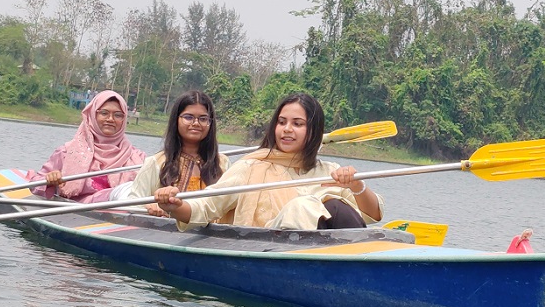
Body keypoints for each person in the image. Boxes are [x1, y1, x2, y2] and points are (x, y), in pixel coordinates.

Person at [154, 92, 384, 230]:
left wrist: (357, 185)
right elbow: (206, 207)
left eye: (297, 124)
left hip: (324, 253)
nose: (287, 130)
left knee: (334, 204)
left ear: (313, 131)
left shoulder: (329, 172)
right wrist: (173, 206)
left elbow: (373, 215)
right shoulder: (250, 166)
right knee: (304, 205)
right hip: (272, 248)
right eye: (282, 122)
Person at [26, 90, 146, 203]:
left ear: (124, 120)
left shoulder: (138, 157)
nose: (110, 119)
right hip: (78, 212)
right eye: (104, 113)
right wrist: (50, 179)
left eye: (118, 115)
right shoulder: (67, 152)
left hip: (125, 212)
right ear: (93, 116)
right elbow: (36, 184)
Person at [126, 90, 230, 216]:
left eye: (203, 119)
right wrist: (149, 206)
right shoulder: (156, 163)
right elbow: (132, 203)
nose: (196, 123)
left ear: (210, 123)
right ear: (176, 120)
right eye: (188, 117)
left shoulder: (223, 163)